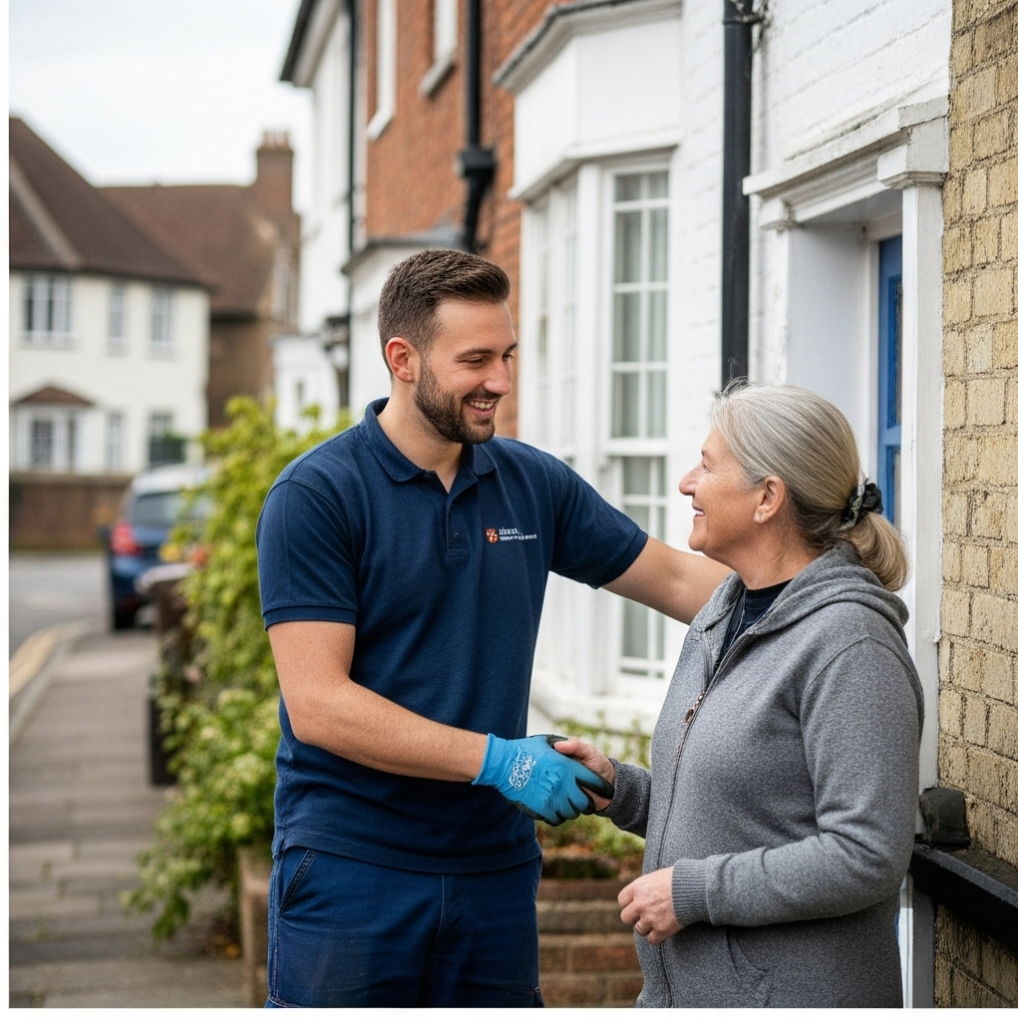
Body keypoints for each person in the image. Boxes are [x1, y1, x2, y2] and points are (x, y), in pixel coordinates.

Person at [255, 249, 728, 1007]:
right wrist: (498, 762)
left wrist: (819, 593)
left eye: (506, 355)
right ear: (402, 360)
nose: (500, 381)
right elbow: (318, 705)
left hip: (492, 874)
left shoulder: (529, 482)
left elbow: (676, 579)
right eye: (475, 359)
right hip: (351, 869)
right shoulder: (318, 496)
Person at [559, 382, 924, 1007]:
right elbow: (748, 809)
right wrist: (621, 790)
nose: (686, 482)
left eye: (707, 464)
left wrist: (694, 892)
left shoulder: (850, 644)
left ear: (767, 498)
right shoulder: (721, 615)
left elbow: (867, 853)